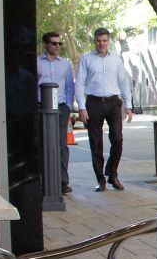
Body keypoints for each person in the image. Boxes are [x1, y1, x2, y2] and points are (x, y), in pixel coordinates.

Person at [75, 28, 132, 192]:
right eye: (98, 41)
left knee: (117, 139)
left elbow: (124, 82)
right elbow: (80, 83)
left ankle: (112, 174)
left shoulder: (116, 59)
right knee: (96, 142)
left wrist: (129, 105)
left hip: (113, 102)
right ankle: (100, 180)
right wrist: (82, 107)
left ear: (109, 41)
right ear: (94, 41)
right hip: (94, 102)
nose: (101, 44)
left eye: (104, 41)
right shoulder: (86, 59)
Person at [36, 32, 75, 194]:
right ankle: (42, 182)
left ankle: (62, 182)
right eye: (54, 43)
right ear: (46, 44)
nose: (57, 46)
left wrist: (68, 105)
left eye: (59, 43)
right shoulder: (37, 63)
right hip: (41, 107)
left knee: (61, 145)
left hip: (60, 108)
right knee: (41, 144)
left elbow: (69, 87)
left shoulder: (65, 64)